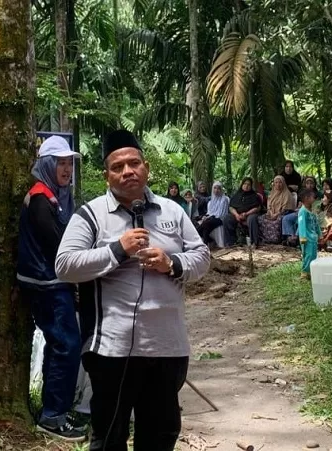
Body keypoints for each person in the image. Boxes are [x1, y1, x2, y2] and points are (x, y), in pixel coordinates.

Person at [55, 129, 210, 451]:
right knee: (109, 436)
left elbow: (202, 257)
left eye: (134, 163)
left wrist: (172, 263)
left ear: (146, 167)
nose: (128, 171)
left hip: (168, 346)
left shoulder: (172, 211)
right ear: (106, 175)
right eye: (118, 166)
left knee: (160, 435)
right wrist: (117, 250)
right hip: (112, 349)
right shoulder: (91, 214)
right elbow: (65, 265)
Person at [16, 135, 85, 441]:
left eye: (69, 163)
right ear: (46, 164)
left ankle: (54, 409)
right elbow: (59, 243)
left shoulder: (58, 195)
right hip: (47, 284)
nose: (67, 169)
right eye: (61, 163)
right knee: (67, 345)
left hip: (56, 282)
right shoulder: (41, 198)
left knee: (61, 345)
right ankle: (53, 417)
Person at [282, 176, 321, 246]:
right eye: (307, 183)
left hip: (311, 213)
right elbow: (299, 205)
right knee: (286, 218)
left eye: (311, 183)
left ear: (314, 184)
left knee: (302, 221)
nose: (309, 185)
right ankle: (290, 237)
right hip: (300, 211)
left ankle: (296, 238)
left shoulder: (318, 194)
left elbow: (317, 207)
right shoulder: (302, 193)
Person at [224, 177, 262, 247]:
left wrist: (246, 213)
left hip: (250, 214)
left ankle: (254, 242)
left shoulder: (254, 196)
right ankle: (231, 242)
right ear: (242, 185)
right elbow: (231, 207)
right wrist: (236, 215)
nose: (246, 186)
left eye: (249, 184)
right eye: (244, 184)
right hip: (237, 215)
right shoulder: (236, 195)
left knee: (252, 219)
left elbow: (257, 208)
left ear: (251, 186)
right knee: (227, 218)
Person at [259, 175, 295, 244]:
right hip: (272, 213)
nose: (278, 184)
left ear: (283, 183)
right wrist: (271, 213)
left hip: (283, 213)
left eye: (280, 182)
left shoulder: (287, 194)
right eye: (276, 182)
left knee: (278, 220)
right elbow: (269, 206)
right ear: (274, 184)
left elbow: (286, 209)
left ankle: (277, 240)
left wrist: (276, 214)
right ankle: (265, 239)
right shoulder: (272, 193)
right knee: (260, 218)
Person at [196, 181, 229, 246]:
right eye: (215, 188)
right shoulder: (210, 201)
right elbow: (209, 213)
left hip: (220, 219)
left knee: (206, 223)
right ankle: (209, 242)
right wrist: (205, 217)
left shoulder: (224, 199)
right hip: (211, 218)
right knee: (203, 223)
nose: (216, 190)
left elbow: (221, 214)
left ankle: (205, 244)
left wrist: (209, 217)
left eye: (218, 188)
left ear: (221, 190)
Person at [297, 189, 320, 280]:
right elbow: (301, 225)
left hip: (313, 237)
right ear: (306, 198)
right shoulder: (302, 211)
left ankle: (311, 271)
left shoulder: (312, 211)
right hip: (307, 238)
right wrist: (302, 237)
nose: (314, 199)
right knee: (308, 255)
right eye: (312, 197)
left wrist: (319, 234)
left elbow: (316, 224)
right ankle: (305, 272)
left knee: (313, 254)